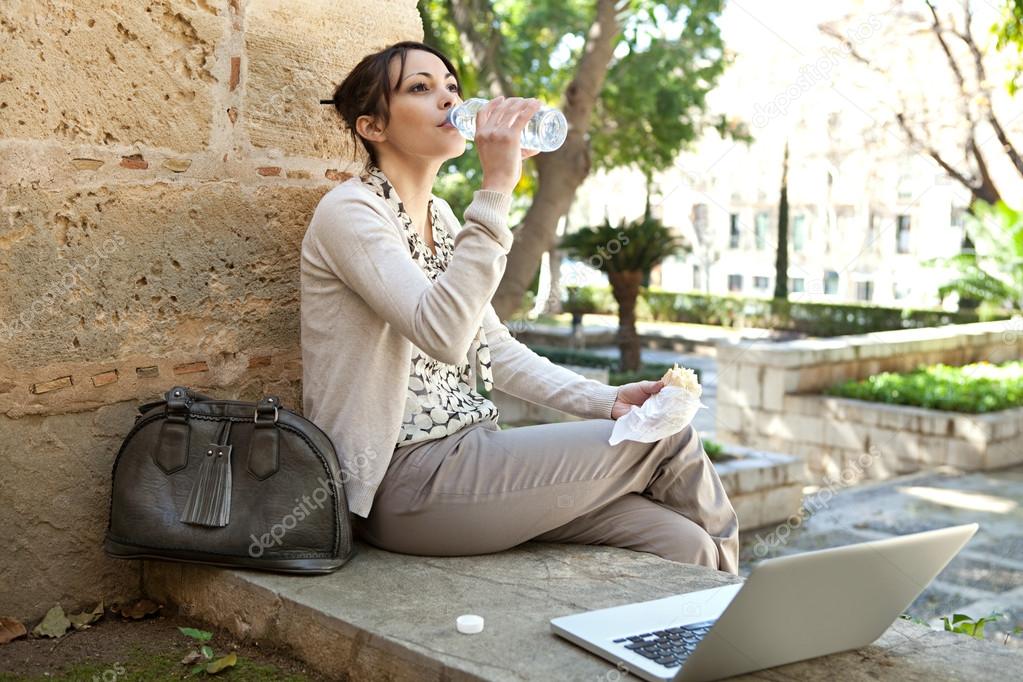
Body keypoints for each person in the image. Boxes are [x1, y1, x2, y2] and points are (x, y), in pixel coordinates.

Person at [302, 41, 739, 573]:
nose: (447, 99)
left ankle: (687, 639)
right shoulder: (350, 212)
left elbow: (494, 349)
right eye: (421, 88)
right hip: (404, 482)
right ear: (374, 127)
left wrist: (607, 400)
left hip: (475, 455)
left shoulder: (439, 217)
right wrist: (497, 186)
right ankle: (744, 617)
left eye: (451, 87)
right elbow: (439, 332)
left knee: (680, 543)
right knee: (665, 438)